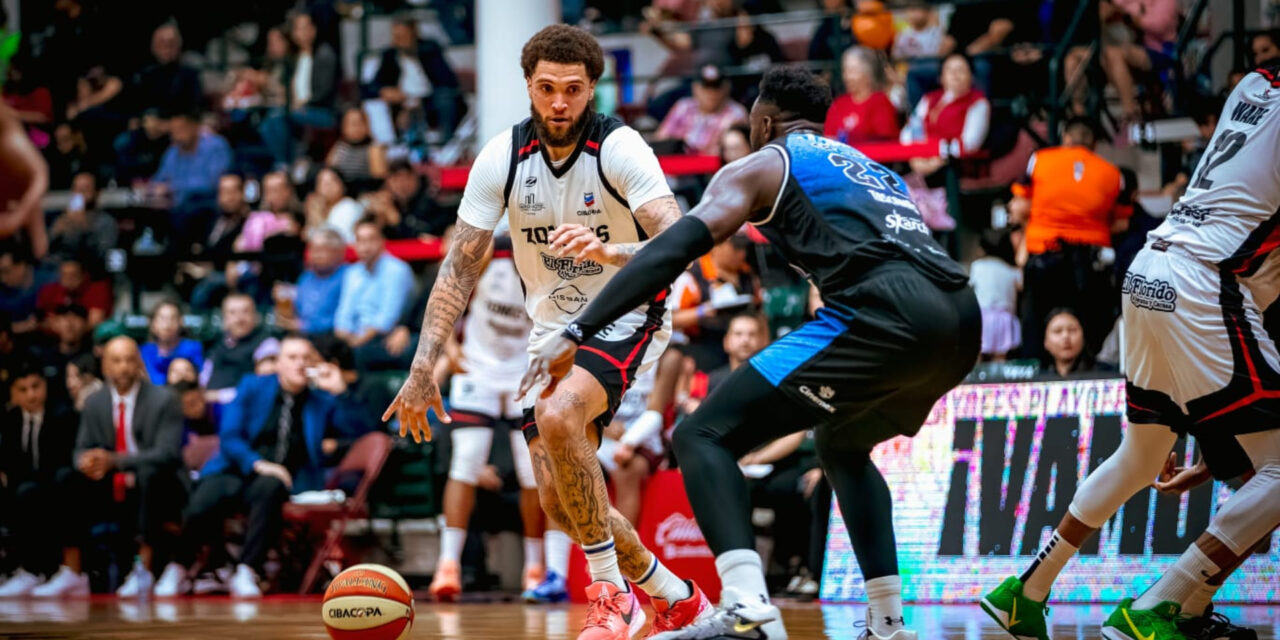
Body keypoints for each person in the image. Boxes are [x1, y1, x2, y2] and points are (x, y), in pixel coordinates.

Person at [523, 66, 980, 640]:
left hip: (885, 310)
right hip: (961, 318)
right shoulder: (867, 166)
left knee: (701, 434)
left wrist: (582, 326)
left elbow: (680, 247)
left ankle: (747, 606)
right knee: (842, 443)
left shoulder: (764, 162)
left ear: (763, 121)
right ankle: (888, 625)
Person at [383, 25, 710, 640]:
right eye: (546, 89)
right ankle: (676, 596)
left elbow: (682, 238)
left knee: (560, 416)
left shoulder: (620, 147)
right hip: (551, 329)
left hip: (628, 309)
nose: (559, 103)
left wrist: (610, 250)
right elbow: (459, 267)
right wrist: (423, 364)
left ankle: (612, 596)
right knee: (563, 504)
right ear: (529, 86)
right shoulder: (501, 157)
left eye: (572, 90)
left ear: (592, 89)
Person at [980, 58, 1280, 640]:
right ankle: (1158, 607)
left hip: (1151, 266)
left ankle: (1027, 590)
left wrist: (1214, 448)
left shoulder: (1253, 82)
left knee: (1142, 457)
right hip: (1205, 282)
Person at [164, 334, 373, 597]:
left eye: (306, 358)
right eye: (292, 358)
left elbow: (365, 433)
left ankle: (247, 570)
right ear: (279, 364)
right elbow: (229, 435)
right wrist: (257, 463)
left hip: (283, 481)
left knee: (271, 488)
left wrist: (340, 391)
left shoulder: (321, 400)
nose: (299, 364)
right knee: (205, 497)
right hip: (236, 467)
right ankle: (178, 567)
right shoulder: (253, 386)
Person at [428, 234, 548, 601]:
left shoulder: (543, 267)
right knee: (464, 464)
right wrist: (450, 348)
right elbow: (447, 294)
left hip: (524, 371)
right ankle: (448, 565)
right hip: (478, 370)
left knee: (532, 472)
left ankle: (535, 565)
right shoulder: (488, 261)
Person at [34, 337, 185, 599]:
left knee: (150, 475)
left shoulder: (164, 399)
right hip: (108, 480)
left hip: (157, 480)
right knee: (66, 478)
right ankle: (73, 572)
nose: (124, 367)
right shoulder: (95, 402)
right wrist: (87, 461)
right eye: (116, 360)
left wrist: (115, 461)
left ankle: (143, 571)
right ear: (105, 366)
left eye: (129, 360)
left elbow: (167, 453)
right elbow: (80, 448)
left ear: (139, 363)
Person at [1013, 118, 1130, 360]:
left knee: (1037, 321)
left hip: (1045, 254)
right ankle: (1090, 372)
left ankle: (1036, 371)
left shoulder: (1039, 161)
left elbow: (1021, 206)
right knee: (1089, 323)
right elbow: (1122, 222)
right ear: (1094, 144)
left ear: (1065, 136)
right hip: (1091, 263)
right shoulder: (1114, 174)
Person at [0, 360, 80, 597]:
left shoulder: (63, 415)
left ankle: (36, 570)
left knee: (32, 493)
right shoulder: (9, 419)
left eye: (36, 387)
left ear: (45, 386)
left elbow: (61, 463)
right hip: (21, 486)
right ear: (14, 393)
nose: (31, 395)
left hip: (54, 485)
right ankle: (14, 570)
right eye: (23, 390)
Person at [259, 12, 339, 168]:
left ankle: (285, 163)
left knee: (283, 115)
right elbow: (287, 88)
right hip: (297, 110)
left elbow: (323, 92)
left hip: (322, 111)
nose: (301, 33)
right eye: (297, 29)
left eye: (305, 28)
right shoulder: (293, 58)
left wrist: (302, 103)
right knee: (269, 122)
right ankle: (283, 163)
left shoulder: (325, 55)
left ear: (313, 30)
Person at [671, 233, 761, 372]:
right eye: (736, 248)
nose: (742, 254)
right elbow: (671, 320)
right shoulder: (692, 274)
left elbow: (759, 313)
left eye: (744, 248)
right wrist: (702, 311)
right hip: (703, 348)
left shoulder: (747, 273)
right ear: (717, 246)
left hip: (743, 346)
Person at [369, 16, 463, 143]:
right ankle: (390, 147)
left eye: (403, 37)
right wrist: (384, 91)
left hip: (428, 101)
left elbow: (448, 82)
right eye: (396, 37)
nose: (398, 42)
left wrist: (417, 100)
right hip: (401, 103)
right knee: (374, 105)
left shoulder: (430, 50)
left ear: (414, 34)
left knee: (446, 99)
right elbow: (372, 85)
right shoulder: (389, 55)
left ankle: (445, 146)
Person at [152, 112, 233, 251]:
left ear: (195, 127)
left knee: (186, 212)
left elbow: (212, 183)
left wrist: (173, 187)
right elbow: (158, 180)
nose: (176, 135)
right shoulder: (172, 152)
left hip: (207, 205)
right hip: (173, 207)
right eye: (174, 131)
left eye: (181, 129)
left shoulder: (216, 146)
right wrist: (156, 189)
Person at [333, 217, 412, 349]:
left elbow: (387, 319)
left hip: (385, 336)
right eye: (360, 240)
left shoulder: (397, 270)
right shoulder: (352, 272)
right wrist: (346, 337)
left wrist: (358, 341)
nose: (365, 246)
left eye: (371, 240)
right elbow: (343, 314)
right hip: (353, 336)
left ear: (382, 241)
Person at [656, 65, 748, 156]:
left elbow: (737, 152)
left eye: (716, 86)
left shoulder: (736, 113)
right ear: (695, 88)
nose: (711, 92)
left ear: (726, 88)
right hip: (679, 165)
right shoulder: (683, 107)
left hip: (717, 167)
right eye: (706, 86)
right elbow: (661, 139)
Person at [824, 47, 899, 145]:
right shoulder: (839, 103)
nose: (846, 77)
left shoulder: (879, 102)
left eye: (852, 71)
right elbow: (828, 137)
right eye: (845, 71)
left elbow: (886, 141)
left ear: (868, 74)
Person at [279, 226, 346, 334]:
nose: (315, 255)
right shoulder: (306, 277)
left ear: (339, 253)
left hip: (331, 337)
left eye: (321, 250)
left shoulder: (348, 277)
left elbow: (346, 319)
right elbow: (299, 310)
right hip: (301, 336)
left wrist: (305, 326)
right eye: (312, 250)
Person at [969, 228, 1022, 361]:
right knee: (1000, 356)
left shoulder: (977, 266)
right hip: (1005, 318)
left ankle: (975, 380)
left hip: (982, 317)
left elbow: (970, 286)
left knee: (977, 354)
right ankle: (1000, 380)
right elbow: (1021, 287)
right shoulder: (1013, 271)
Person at [48, 172, 117, 271]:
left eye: (85, 189)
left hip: (90, 273)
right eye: (76, 188)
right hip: (58, 272)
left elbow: (102, 256)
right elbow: (45, 251)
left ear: (97, 192)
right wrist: (57, 231)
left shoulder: (106, 222)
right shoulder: (62, 218)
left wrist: (84, 227)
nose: (80, 193)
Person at [130, 23, 203, 116]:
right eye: (162, 43)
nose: (166, 48)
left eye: (171, 43)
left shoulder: (190, 75)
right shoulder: (142, 76)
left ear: (179, 46)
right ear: (154, 47)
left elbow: (195, 109)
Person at [201, 294, 268, 394]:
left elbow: (265, 387)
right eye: (232, 313)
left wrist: (219, 396)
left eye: (245, 312)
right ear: (224, 319)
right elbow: (203, 379)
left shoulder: (266, 344)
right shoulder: (216, 344)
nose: (239, 319)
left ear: (255, 316)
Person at [36, 256, 111, 328]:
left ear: (84, 275)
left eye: (73, 276)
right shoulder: (49, 291)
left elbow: (94, 324)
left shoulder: (97, 290)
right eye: (64, 275)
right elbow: (38, 320)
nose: (68, 281)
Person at [140, 300, 204, 385]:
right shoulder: (144, 351)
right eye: (162, 319)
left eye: (173, 318)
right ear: (152, 324)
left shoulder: (193, 348)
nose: (167, 324)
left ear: (181, 322)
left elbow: (200, 380)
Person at [326, 106, 387, 189]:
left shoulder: (374, 148)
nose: (356, 127)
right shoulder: (340, 147)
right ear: (343, 127)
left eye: (360, 123)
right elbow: (328, 172)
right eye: (352, 123)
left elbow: (379, 181)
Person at [1037, 308, 1106, 379]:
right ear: (1045, 342)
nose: (1065, 336)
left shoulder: (1104, 374)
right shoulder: (1037, 376)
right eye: (1057, 331)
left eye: (1072, 330)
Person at [305, 167, 364, 242]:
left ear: (343, 185)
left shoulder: (348, 206)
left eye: (333, 180)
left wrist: (317, 218)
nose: (328, 186)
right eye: (322, 182)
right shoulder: (319, 208)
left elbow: (334, 240)